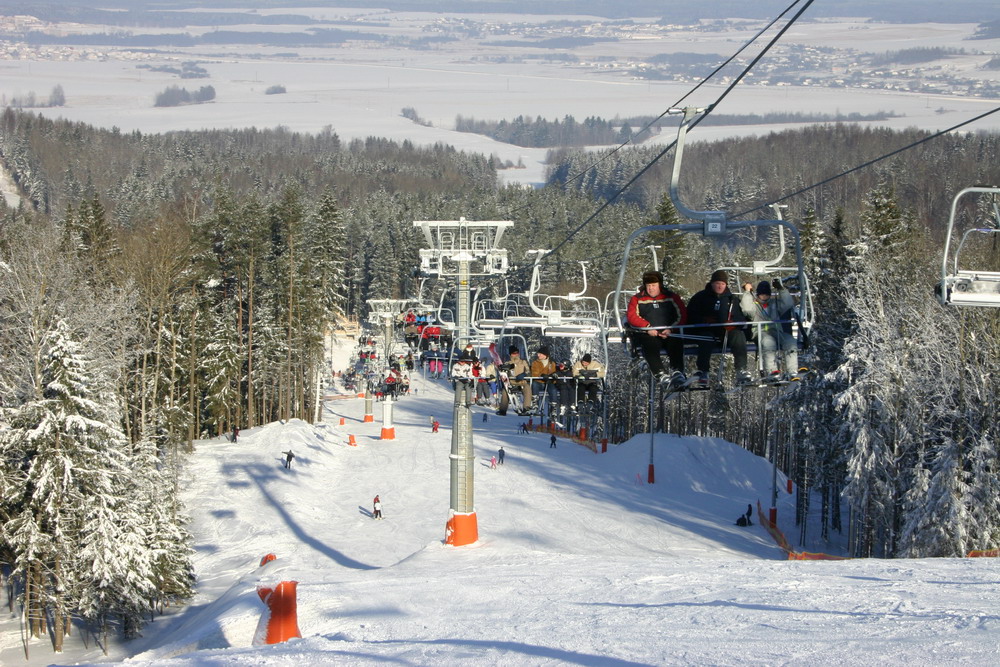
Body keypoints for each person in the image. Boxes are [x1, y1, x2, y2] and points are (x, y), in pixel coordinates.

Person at [686, 269, 750, 386]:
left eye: (722, 284)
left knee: (738, 336)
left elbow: (741, 318)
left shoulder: (732, 299)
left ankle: (741, 369)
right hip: (707, 330)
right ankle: (703, 371)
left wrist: (733, 323)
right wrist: (703, 320)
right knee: (706, 339)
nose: (720, 286)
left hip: (726, 332)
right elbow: (690, 315)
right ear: (712, 284)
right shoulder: (700, 297)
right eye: (717, 283)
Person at [626, 270, 688, 386]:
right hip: (649, 334)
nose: (651, 289)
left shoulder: (671, 297)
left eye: (653, 285)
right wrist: (647, 328)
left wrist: (671, 329)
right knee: (649, 346)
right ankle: (660, 374)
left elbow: (682, 315)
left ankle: (678, 371)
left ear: (659, 285)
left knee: (676, 343)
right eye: (648, 286)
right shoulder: (637, 299)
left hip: (668, 332)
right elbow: (632, 316)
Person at [741, 279, 801, 381]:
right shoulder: (754, 305)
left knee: (790, 341)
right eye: (761, 294)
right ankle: (771, 371)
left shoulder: (775, 304)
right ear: (758, 294)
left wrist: (781, 289)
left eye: (766, 294)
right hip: (760, 332)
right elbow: (746, 309)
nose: (764, 296)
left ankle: (792, 371)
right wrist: (747, 292)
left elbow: (788, 303)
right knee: (769, 343)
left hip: (776, 331)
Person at [502, 346, 532, 411]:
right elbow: (504, 373)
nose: (515, 355)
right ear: (510, 354)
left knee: (527, 388)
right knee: (505, 391)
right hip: (512, 383)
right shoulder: (508, 363)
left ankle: (526, 407)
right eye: (513, 353)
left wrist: (524, 374)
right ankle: (503, 409)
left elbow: (528, 371)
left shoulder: (523, 362)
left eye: (517, 353)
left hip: (522, 383)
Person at [530, 347, 558, 413]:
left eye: (540, 354)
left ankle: (553, 406)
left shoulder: (551, 363)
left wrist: (552, 377)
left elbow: (553, 372)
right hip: (539, 382)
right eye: (538, 354)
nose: (538, 355)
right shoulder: (535, 363)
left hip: (548, 382)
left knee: (553, 389)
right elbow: (534, 373)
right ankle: (535, 402)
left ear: (545, 355)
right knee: (534, 384)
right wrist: (542, 375)